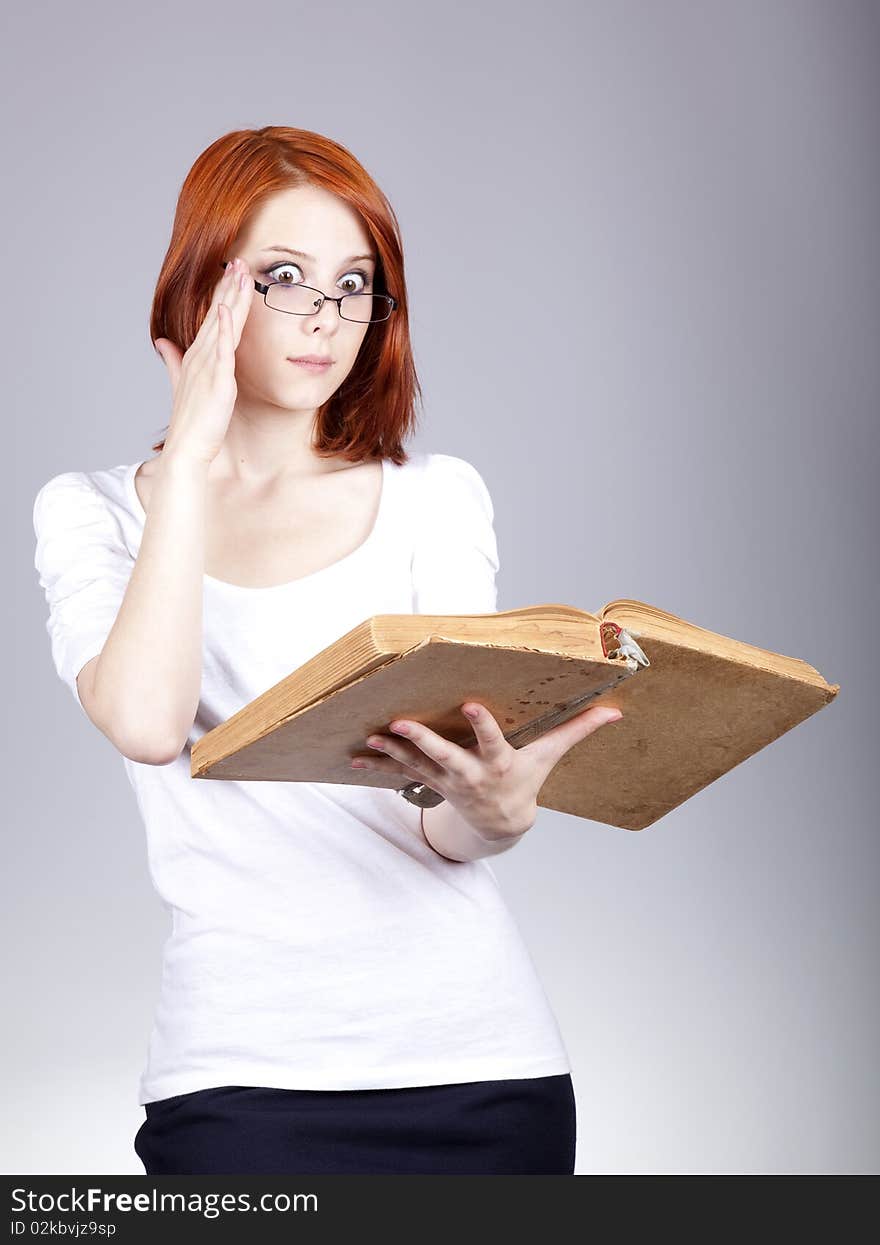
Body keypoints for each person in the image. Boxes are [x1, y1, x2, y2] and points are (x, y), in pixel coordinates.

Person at [32, 125, 622, 1175]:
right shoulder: (93, 512)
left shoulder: (433, 498)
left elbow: (439, 820)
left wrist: (492, 814)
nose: (326, 318)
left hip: (479, 1068)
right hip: (238, 1075)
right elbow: (146, 720)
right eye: (285, 278)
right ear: (199, 288)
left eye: (356, 285)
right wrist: (193, 459)